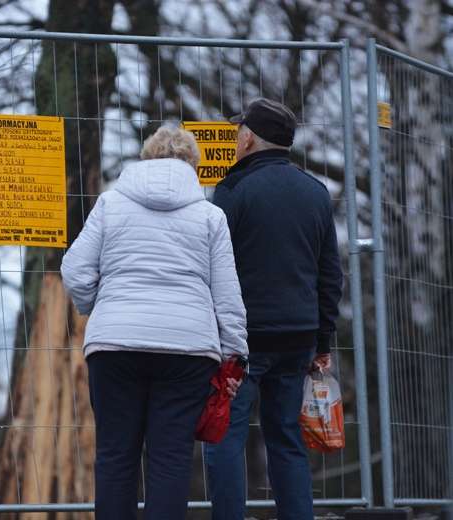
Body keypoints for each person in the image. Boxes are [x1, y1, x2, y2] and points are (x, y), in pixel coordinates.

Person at [60, 125, 248, 520]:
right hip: (188, 352)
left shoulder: (110, 204)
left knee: (115, 455)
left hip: (115, 347)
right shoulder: (210, 216)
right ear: (192, 164)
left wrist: (100, 306)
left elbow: (75, 270)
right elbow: (227, 294)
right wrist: (234, 355)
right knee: (171, 458)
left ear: (147, 157)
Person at [204, 98, 344, 520]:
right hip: (299, 338)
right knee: (285, 437)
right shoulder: (316, 192)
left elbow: (212, 265)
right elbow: (330, 274)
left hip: (243, 341)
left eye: (237, 133)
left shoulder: (232, 190)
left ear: (248, 138)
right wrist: (322, 341)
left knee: (224, 434)